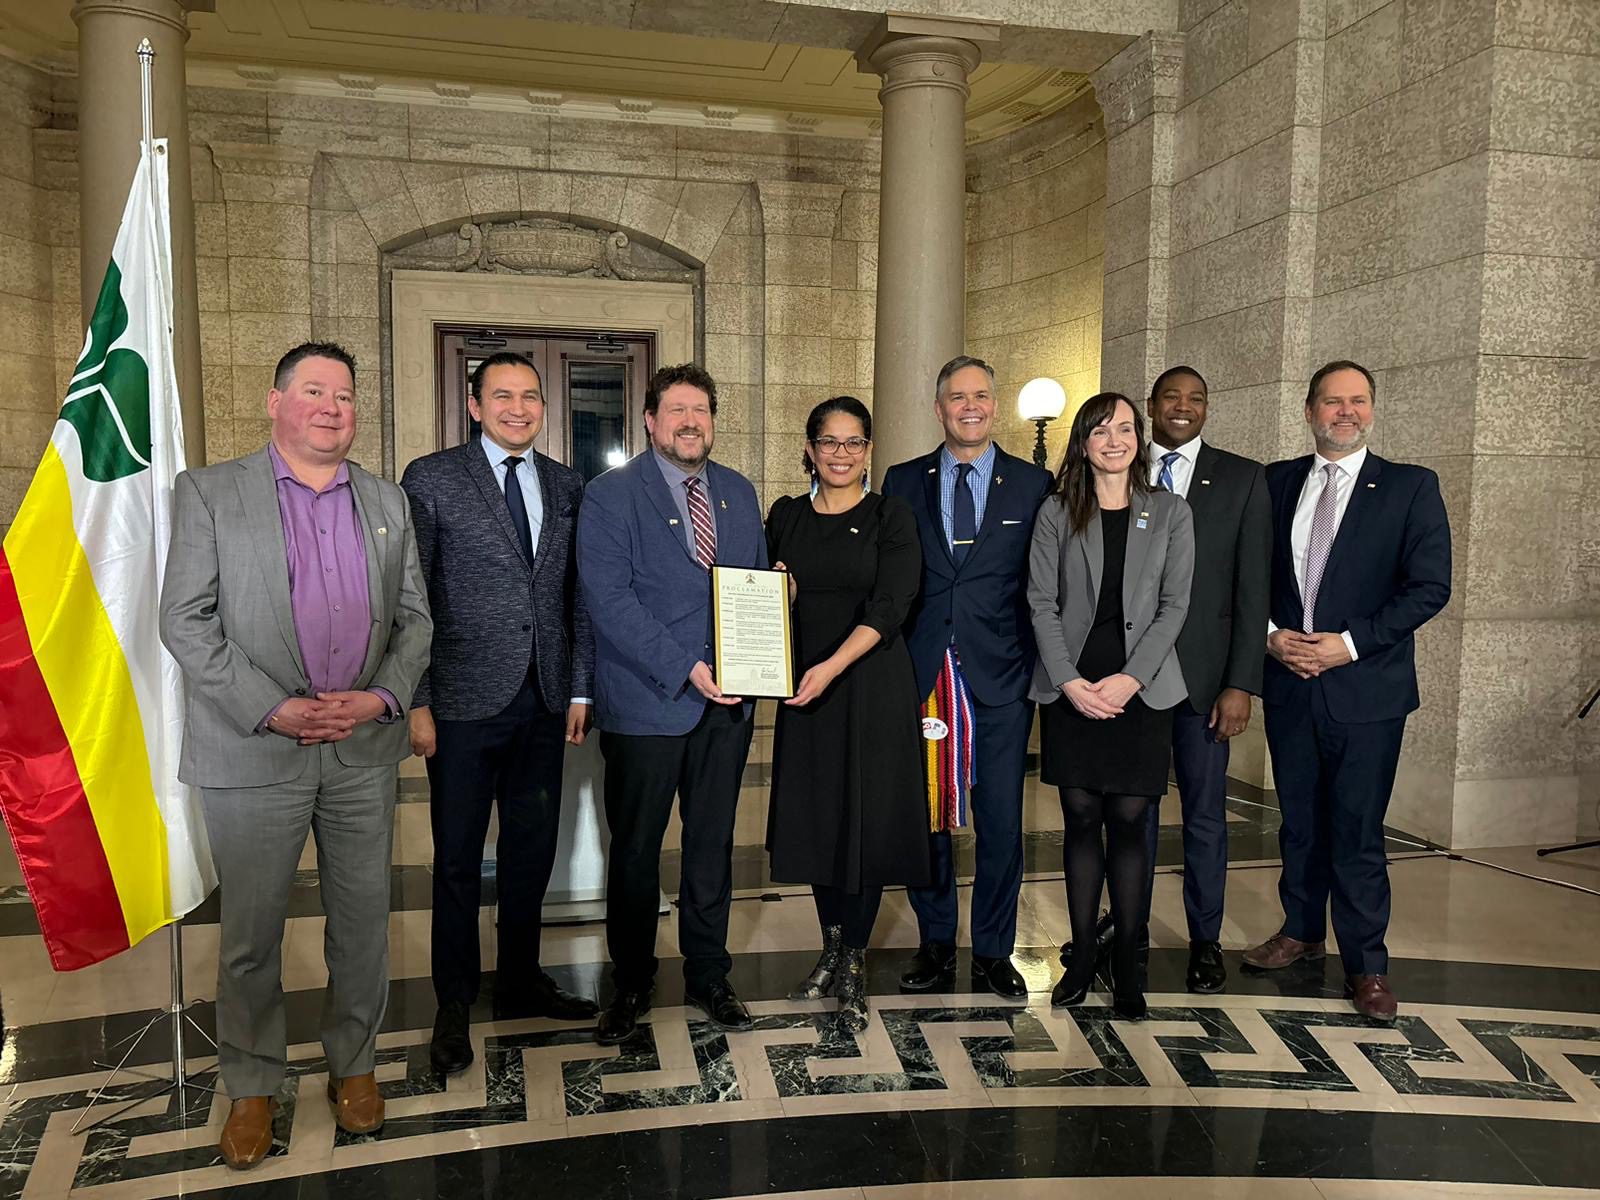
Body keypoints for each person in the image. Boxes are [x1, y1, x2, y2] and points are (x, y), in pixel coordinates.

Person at [160, 343, 431, 1169]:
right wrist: (271, 708)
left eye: (345, 396)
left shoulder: (387, 500)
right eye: (313, 391)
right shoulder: (210, 492)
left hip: (359, 747)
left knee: (362, 925)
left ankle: (354, 1066)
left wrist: (381, 697)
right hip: (254, 751)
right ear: (274, 403)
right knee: (251, 933)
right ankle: (251, 1083)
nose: (331, 407)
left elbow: (415, 619)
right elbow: (186, 621)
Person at [400, 351, 598, 1079]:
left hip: (544, 701)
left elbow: (577, 596)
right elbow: (411, 596)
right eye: (503, 396)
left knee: (530, 852)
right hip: (458, 702)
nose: (519, 408)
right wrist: (416, 700)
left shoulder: (567, 484)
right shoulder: (433, 477)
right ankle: (452, 1002)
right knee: (455, 861)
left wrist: (580, 688)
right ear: (475, 405)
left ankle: (519, 978)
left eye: (531, 397)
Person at [1245, 360, 1451, 1022]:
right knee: (1298, 821)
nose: (1344, 412)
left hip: (1366, 689)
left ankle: (1367, 966)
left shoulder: (1411, 488)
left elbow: (1428, 586)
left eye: (1356, 401)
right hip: (1289, 682)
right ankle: (1302, 931)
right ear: (1309, 411)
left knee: (1357, 831)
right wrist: (1272, 635)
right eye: (1331, 402)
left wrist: (1349, 643)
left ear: (1371, 410)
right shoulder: (1274, 483)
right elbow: (1244, 574)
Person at [576, 362, 767, 1044]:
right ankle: (631, 981)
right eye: (677, 410)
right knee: (634, 852)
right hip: (648, 701)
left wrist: (779, 600)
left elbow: (751, 589)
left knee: (712, 846)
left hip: (727, 707)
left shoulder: (741, 494)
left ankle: (709, 973)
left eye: (702, 410)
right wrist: (685, 667)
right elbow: (608, 601)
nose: (691, 421)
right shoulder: (610, 495)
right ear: (650, 420)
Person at [1069, 366, 1270, 994]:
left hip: (1202, 680)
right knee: (1132, 814)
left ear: (1209, 409)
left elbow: (1251, 587)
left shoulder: (1241, 479)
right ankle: (1128, 933)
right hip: (1124, 682)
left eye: (1197, 398)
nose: (1183, 407)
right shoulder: (1118, 467)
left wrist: (1241, 681)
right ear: (1150, 407)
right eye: (1171, 398)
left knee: (1205, 814)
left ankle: (1205, 940)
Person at [881, 355, 1052, 999]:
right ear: (939, 408)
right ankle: (933, 941)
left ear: (995, 405)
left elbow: (1046, 585)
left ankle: (992, 952)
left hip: (1001, 679)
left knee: (1001, 822)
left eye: (981, 395)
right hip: (923, 674)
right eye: (957, 397)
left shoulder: (1033, 485)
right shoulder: (901, 481)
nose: (970, 406)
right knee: (929, 816)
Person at [1027, 392, 1193, 1018]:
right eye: (1101, 430)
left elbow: (1175, 605)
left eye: (1126, 428)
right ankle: (1082, 961)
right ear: (1084, 442)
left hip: (1141, 687)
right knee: (1077, 816)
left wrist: (1131, 680)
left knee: (1128, 820)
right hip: (1072, 685)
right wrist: (1069, 681)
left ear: (1139, 439)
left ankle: (1128, 966)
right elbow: (1040, 603)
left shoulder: (1171, 512)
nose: (1115, 440)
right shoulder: (1056, 512)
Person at [766, 396, 927, 1032]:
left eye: (853, 442)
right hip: (803, 688)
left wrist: (831, 666)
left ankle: (855, 959)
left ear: (868, 450)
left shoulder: (892, 513)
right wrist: (785, 591)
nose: (840, 453)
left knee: (867, 819)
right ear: (809, 448)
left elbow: (892, 605)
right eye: (828, 441)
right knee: (816, 819)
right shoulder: (784, 515)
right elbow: (772, 596)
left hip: (869, 683)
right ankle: (830, 949)